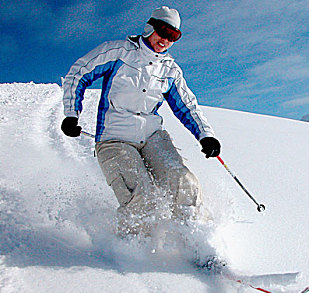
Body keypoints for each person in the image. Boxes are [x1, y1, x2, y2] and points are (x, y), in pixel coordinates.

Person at [60, 6, 221, 241]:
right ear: (150, 27)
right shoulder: (118, 52)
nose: (165, 40)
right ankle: (134, 248)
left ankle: (197, 242)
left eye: (173, 36)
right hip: (115, 138)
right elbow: (78, 74)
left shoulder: (169, 70)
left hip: (153, 136)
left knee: (185, 184)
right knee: (141, 197)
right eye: (163, 32)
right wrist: (71, 114)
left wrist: (205, 135)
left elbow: (187, 105)